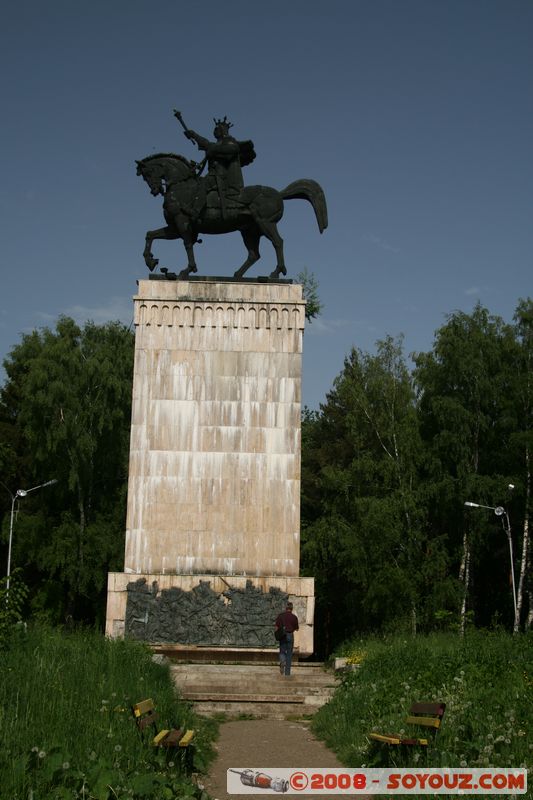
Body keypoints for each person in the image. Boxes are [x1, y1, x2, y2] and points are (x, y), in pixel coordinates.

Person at [178, 115, 256, 219]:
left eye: (217, 129)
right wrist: (193, 135)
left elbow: (230, 150)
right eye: (214, 130)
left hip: (221, 176)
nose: (214, 132)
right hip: (214, 174)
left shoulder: (229, 141)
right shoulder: (217, 144)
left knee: (204, 184)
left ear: (223, 130)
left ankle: (195, 211)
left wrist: (212, 149)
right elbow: (205, 143)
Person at [275, 601, 299, 677]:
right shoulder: (294, 617)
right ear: (292, 608)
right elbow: (297, 628)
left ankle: (282, 661)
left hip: (282, 635)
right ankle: (287, 673)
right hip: (290, 635)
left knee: (282, 651)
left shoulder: (280, 616)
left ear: (286, 608)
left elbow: (276, 627)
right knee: (289, 654)